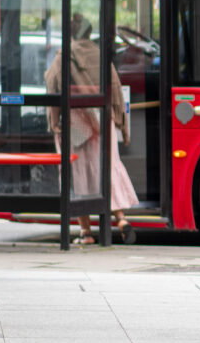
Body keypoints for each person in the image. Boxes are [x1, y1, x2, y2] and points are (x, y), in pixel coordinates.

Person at [45, 14, 138, 245]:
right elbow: (115, 90)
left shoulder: (63, 57)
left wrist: (54, 122)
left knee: (77, 176)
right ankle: (121, 219)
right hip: (101, 121)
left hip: (75, 125)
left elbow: (52, 89)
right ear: (88, 31)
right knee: (107, 168)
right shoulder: (100, 55)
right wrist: (122, 125)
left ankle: (86, 232)